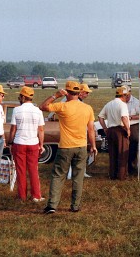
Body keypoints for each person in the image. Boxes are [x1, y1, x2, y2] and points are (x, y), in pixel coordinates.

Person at [39, 81, 97, 214]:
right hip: (81, 146)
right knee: (78, 177)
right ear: (79, 93)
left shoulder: (63, 106)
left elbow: (43, 106)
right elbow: (91, 130)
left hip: (65, 146)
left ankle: (52, 205)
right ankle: (75, 205)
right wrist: (93, 146)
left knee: (58, 176)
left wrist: (56, 95)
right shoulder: (87, 108)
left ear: (67, 92)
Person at [8, 87, 45, 202]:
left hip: (19, 143)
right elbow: (41, 130)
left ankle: (22, 196)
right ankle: (36, 196)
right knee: (33, 170)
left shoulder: (17, 110)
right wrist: (41, 145)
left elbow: (13, 128)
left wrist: (10, 142)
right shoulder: (38, 111)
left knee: (21, 170)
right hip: (33, 143)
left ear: (23, 97)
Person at [98, 86, 131, 180]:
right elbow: (124, 117)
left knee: (112, 153)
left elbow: (100, 117)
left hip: (111, 130)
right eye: (126, 96)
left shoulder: (109, 104)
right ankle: (122, 176)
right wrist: (128, 129)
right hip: (120, 130)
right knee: (122, 153)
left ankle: (112, 174)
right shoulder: (122, 105)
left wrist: (105, 128)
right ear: (123, 95)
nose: (127, 98)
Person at [64, 83, 93, 179]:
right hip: (72, 134)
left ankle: (82, 172)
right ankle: (69, 174)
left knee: (81, 156)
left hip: (81, 133)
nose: (88, 95)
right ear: (80, 93)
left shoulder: (83, 104)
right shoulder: (69, 102)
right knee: (72, 156)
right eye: (86, 93)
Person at [126, 87, 140, 175]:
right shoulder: (120, 101)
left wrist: (131, 117)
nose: (126, 97)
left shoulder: (136, 102)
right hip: (123, 126)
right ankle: (126, 166)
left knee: (133, 146)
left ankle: (132, 165)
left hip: (134, 126)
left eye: (127, 95)